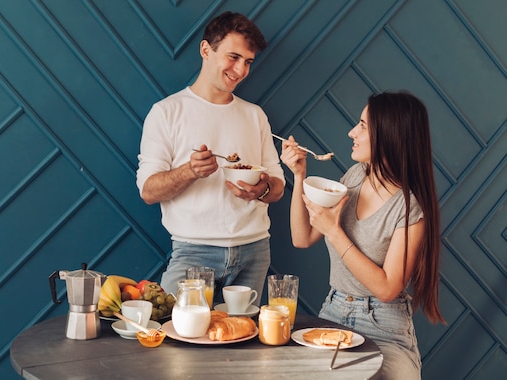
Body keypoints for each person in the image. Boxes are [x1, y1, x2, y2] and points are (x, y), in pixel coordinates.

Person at [280, 91, 445, 379]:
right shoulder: (355, 176)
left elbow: (387, 288)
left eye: (363, 126)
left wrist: (334, 231)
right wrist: (299, 176)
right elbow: (302, 237)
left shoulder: (409, 209)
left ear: (390, 135)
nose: (351, 132)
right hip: (333, 314)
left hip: (384, 326)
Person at [136, 11, 285, 304]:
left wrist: (262, 190)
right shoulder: (166, 112)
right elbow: (148, 191)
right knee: (174, 343)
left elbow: (278, 185)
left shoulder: (255, 115)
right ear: (206, 49)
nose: (240, 70)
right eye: (233, 57)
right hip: (192, 252)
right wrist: (190, 171)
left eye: (248, 62)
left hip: (254, 251)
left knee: (241, 345)